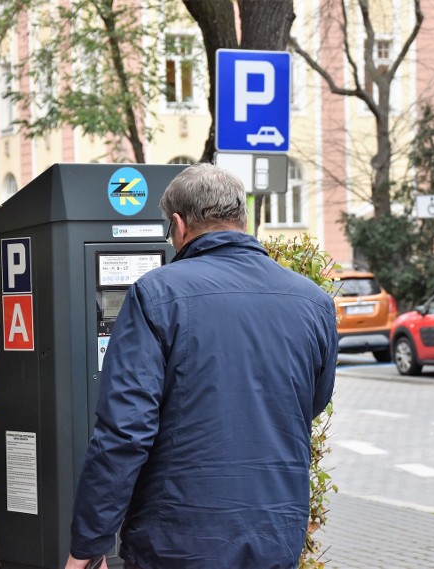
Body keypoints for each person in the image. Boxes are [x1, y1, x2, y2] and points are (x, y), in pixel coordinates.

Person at [66, 163, 338, 569]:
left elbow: (125, 432)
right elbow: (309, 404)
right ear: (242, 219)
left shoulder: (155, 295)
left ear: (178, 225)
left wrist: (88, 545)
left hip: (177, 538)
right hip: (276, 533)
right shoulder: (313, 302)